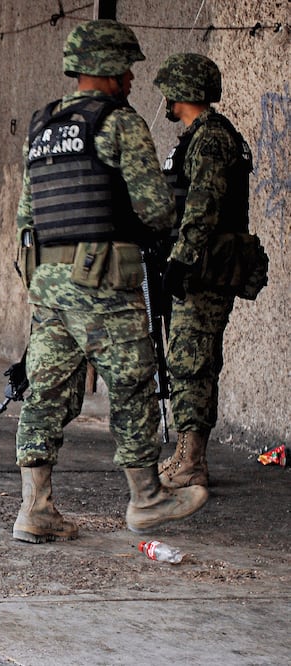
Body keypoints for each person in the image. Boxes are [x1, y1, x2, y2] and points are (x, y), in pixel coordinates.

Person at [13, 20, 209, 541]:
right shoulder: (120, 123)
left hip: (48, 283)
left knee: (46, 390)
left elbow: (25, 215)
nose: (130, 79)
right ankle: (146, 499)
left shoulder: (42, 125)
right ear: (107, 69)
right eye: (126, 68)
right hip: (101, 279)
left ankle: (35, 509)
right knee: (132, 383)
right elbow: (155, 211)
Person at [153, 53, 268, 488]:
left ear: (185, 91)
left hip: (203, 272)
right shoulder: (197, 137)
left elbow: (202, 206)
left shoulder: (211, 139)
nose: (164, 97)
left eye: (170, 89)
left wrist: (180, 261)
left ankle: (192, 461)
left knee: (192, 362)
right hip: (197, 269)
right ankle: (186, 453)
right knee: (187, 361)